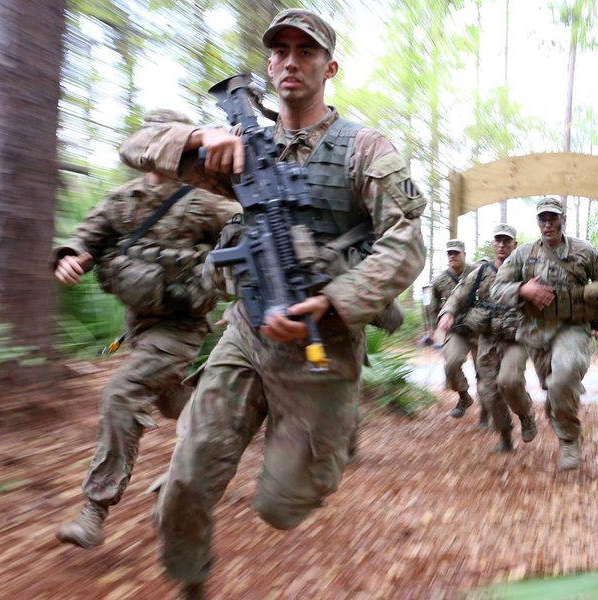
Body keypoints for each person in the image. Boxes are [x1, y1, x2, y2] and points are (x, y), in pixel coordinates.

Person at [119, 8, 425, 597]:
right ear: (269, 65)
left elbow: (406, 242)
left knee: (282, 505)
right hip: (246, 332)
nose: (291, 60)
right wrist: (197, 137)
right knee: (186, 479)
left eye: (306, 51)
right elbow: (135, 149)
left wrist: (334, 301)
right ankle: (191, 580)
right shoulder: (239, 148)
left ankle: (322, 440)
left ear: (329, 67)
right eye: (280, 51)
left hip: (321, 344)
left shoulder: (364, 149)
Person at [53, 109, 242, 549]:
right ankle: (220, 428)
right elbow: (89, 233)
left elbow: (244, 234)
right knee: (176, 401)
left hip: (182, 326)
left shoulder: (204, 201)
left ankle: (95, 509)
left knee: (121, 393)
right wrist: (73, 254)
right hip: (138, 325)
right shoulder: (123, 200)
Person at [491, 198, 598, 471]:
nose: (547, 223)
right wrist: (522, 290)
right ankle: (557, 407)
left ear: (563, 218)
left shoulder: (585, 252)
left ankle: (569, 441)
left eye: (553, 217)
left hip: (572, 328)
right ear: (538, 222)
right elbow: (496, 289)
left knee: (563, 377)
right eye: (543, 219)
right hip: (536, 333)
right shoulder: (523, 255)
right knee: (552, 390)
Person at [436, 224, 537, 453]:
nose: (502, 244)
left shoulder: (525, 272)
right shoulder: (481, 272)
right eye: (498, 240)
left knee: (510, 381)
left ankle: (526, 415)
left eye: (507, 241)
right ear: (493, 244)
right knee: (489, 391)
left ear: (515, 244)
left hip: (516, 339)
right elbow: (459, 294)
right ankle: (505, 437)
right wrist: (448, 313)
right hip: (488, 339)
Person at [426, 240, 484, 424]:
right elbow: (431, 305)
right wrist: (431, 328)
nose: (452, 256)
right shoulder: (439, 280)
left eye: (456, 253)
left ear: (464, 254)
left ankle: (487, 411)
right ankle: (464, 396)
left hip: (478, 329)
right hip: (456, 330)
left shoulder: (478, 272)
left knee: (484, 372)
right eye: (450, 253)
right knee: (451, 364)